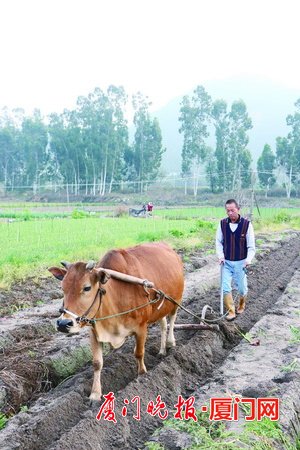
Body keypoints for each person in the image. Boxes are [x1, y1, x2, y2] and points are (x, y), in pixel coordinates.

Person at [216, 199, 256, 321]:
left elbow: (251, 246)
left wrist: (248, 260)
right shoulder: (222, 224)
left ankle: (241, 304)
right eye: (227, 211)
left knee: (242, 288)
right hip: (227, 262)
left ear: (238, 209)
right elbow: (218, 242)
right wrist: (220, 255)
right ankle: (231, 311)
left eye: (232, 210)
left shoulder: (246, 225)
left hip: (241, 262)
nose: (230, 213)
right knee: (225, 287)